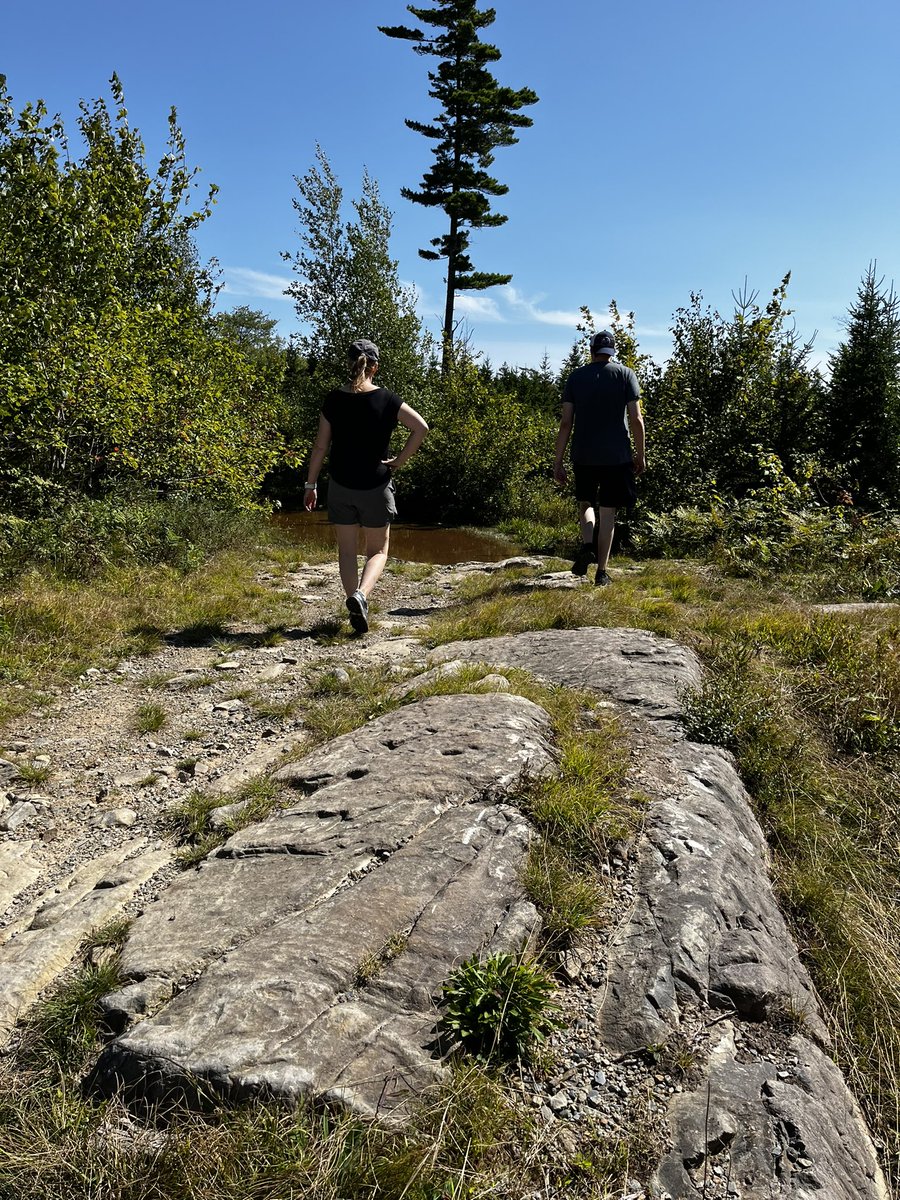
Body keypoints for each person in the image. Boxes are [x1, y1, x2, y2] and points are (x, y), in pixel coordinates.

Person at [303, 339, 429, 633]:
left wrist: (311, 484)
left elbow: (320, 447)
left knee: (346, 551)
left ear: (351, 365)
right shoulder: (387, 399)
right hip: (375, 484)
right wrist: (399, 460)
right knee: (378, 551)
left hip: (340, 485)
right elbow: (421, 428)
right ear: (376, 366)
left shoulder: (333, 400)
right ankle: (361, 596)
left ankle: (352, 602)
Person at [553, 330, 645, 586]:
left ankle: (586, 546)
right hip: (617, 456)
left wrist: (557, 461)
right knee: (608, 514)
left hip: (583, 455)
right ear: (612, 351)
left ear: (592, 350)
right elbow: (636, 419)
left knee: (586, 504)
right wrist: (641, 454)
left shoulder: (576, 377)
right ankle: (602, 572)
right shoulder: (626, 374)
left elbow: (565, 423)